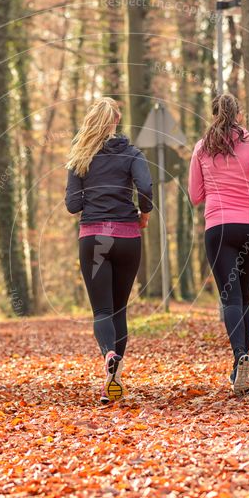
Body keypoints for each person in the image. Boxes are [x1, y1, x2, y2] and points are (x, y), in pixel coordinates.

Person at [188, 93, 249, 396]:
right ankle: (239, 366)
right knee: (245, 297)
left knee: (231, 298)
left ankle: (240, 357)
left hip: (220, 228)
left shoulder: (202, 148)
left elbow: (195, 195)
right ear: (239, 115)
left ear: (213, 115)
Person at [65, 97, 153, 404]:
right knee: (119, 310)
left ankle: (109, 356)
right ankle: (112, 381)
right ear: (116, 122)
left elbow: (72, 205)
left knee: (102, 310)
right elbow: (145, 187)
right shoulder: (132, 153)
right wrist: (144, 212)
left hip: (94, 239)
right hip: (128, 238)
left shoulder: (80, 157)